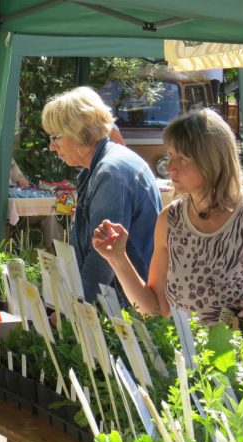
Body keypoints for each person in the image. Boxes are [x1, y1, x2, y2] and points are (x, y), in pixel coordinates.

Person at [93, 109, 243, 366]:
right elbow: (157, 309)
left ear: (211, 161)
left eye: (182, 158)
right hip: (201, 371)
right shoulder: (170, 220)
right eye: (169, 156)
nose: (170, 167)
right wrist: (117, 258)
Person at [42, 86, 161, 303]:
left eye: (55, 137)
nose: (52, 147)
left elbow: (102, 257)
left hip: (126, 306)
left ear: (77, 132)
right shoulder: (106, 165)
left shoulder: (109, 173)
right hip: (129, 300)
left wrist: (76, 311)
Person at [9, 158, 65, 251]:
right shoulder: (8, 158)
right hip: (19, 213)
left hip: (12, 210)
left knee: (48, 214)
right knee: (48, 213)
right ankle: (55, 250)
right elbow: (24, 183)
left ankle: (55, 248)